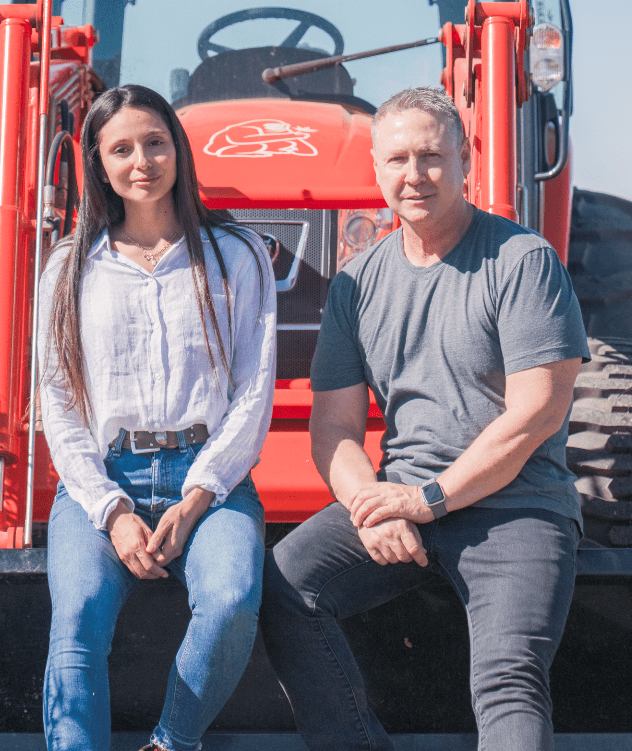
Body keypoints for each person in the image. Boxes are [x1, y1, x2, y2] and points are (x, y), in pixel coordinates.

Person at [260, 86, 589, 751]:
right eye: (398, 159)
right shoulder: (357, 283)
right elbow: (334, 430)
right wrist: (368, 506)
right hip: (406, 505)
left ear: (464, 159)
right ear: (376, 169)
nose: (414, 175)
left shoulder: (523, 262)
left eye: (432, 157)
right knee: (282, 581)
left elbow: (536, 412)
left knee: (506, 678)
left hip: (515, 506)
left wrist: (425, 499)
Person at [39, 84, 276, 751]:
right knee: (78, 615)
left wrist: (200, 494)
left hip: (211, 474)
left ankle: (171, 741)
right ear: (98, 162)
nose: (141, 160)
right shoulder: (66, 268)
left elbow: (254, 388)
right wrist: (111, 511)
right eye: (121, 148)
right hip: (102, 477)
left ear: (178, 148)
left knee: (231, 598)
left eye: (155, 142)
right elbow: (57, 404)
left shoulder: (237, 254)